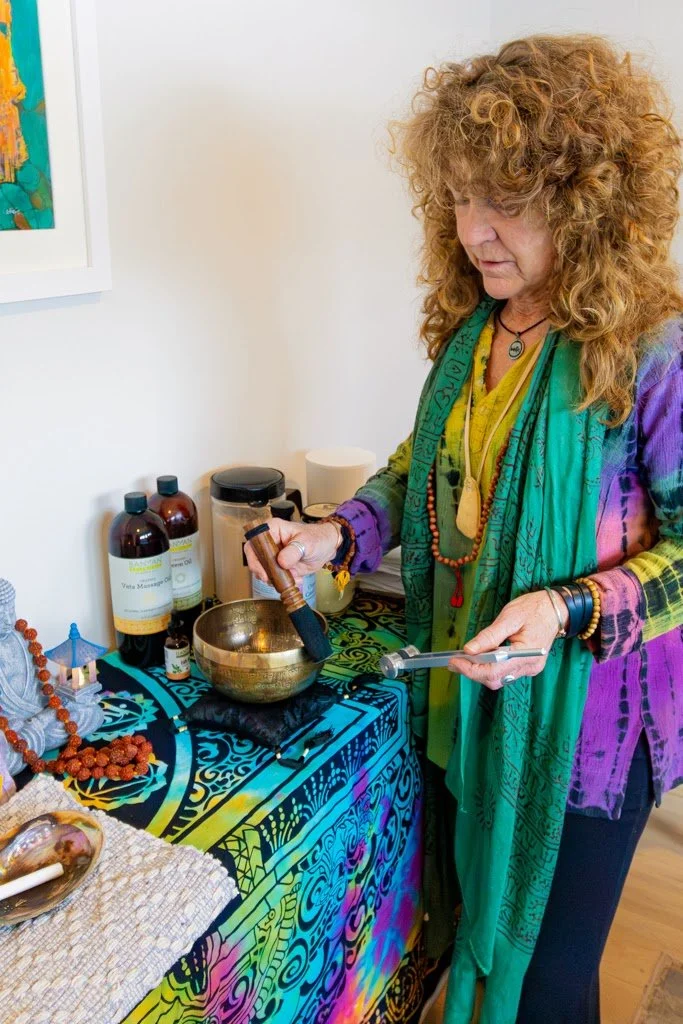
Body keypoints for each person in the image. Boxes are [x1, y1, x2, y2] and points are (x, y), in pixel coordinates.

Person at [246, 34, 683, 1024]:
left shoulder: (651, 352)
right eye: (456, 198)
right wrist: (338, 534)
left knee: (546, 983)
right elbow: (423, 472)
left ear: (584, 201)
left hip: (591, 729)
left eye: (505, 201)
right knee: (479, 943)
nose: (473, 230)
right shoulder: (476, 330)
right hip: (472, 699)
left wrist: (565, 607)